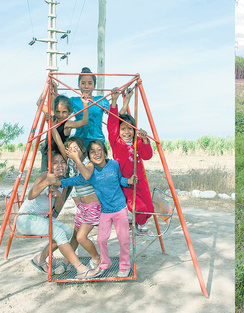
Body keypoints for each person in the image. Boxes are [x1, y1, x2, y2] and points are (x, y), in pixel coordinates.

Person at [54, 140, 136, 278]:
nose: (97, 154)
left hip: (120, 208)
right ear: (89, 156)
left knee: (123, 239)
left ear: (105, 152)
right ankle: (105, 263)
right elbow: (76, 180)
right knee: (101, 239)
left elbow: (119, 179)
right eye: (93, 152)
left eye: (99, 150)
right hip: (105, 210)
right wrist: (59, 183)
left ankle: (125, 265)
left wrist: (128, 181)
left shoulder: (114, 164)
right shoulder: (91, 173)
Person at [16, 153, 93, 279]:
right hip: (26, 218)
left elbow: (58, 208)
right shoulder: (44, 176)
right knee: (58, 233)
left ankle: (40, 258)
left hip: (41, 218)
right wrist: (46, 182)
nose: (60, 165)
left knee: (67, 231)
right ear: (50, 166)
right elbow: (30, 196)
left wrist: (57, 195)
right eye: (55, 162)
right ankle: (80, 268)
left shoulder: (64, 183)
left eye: (62, 162)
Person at [52, 134, 102, 275]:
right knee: (74, 237)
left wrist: (74, 158)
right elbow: (60, 144)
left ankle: (96, 257)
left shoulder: (88, 162)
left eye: (76, 148)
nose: (73, 151)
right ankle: (66, 263)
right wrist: (54, 127)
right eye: (70, 149)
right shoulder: (71, 162)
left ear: (82, 149)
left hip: (93, 206)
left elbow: (85, 176)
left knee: (81, 237)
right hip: (82, 207)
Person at [108, 87, 155, 234]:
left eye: (130, 129)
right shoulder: (116, 142)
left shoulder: (138, 141)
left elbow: (147, 156)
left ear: (134, 130)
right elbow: (113, 122)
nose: (126, 132)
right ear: (118, 131)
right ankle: (132, 222)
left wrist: (146, 140)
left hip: (140, 181)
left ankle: (136, 224)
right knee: (137, 207)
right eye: (123, 129)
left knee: (149, 209)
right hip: (126, 182)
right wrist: (114, 101)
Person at [39, 94, 89, 173]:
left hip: (60, 155)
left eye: (64, 112)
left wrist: (85, 104)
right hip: (47, 152)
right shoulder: (53, 117)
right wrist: (48, 89)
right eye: (58, 112)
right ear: (54, 111)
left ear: (69, 112)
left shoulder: (67, 124)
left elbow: (83, 122)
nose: (61, 115)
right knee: (45, 174)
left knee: (58, 177)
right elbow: (39, 103)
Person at [70, 67, 110, 147]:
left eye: (90, 83)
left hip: (97, 141)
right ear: (79, 85)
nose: (86, 86)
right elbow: (58, 111)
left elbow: (115, 117)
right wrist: (54, 93)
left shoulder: (101, 100)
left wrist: (121, 99)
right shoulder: (74, 100)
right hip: (80, 141)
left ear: (94, 86)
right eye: (83, 83)